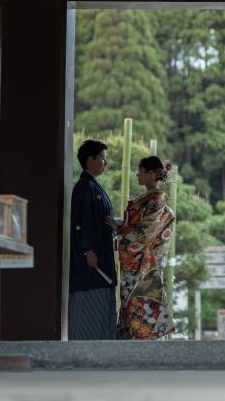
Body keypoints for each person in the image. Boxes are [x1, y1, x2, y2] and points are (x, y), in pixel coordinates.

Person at [106, 156, 176, 340]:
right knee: (133, 304)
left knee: (140, 302)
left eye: (142, 171)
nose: (138, 174)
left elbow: (145, 233)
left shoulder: (156, 200)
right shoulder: (150, 199)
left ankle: (146, 346)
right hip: (137, 261)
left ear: (153, 174)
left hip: (144, 263)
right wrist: (122, 226)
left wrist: (120, 229)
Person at [68, 139, 118, 340]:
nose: (105, 163)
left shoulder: (93, 186)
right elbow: (84, 221)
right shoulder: (84, 186)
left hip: (102, 256)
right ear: (90, 159)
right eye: (102, 158)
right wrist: (87, 249)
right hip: (92, 260)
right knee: (89, 308)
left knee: (103, 309)